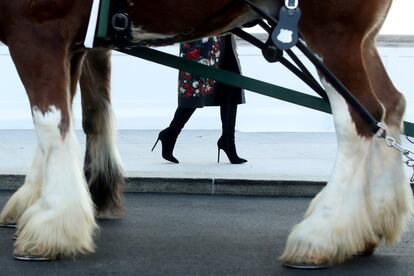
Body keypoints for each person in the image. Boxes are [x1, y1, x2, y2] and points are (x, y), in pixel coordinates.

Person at [152, 34, 247, 164]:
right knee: (195, 88)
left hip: (224, 27)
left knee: (231, 84)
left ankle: (228, 140)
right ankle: (171, 133)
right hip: (202, 28)